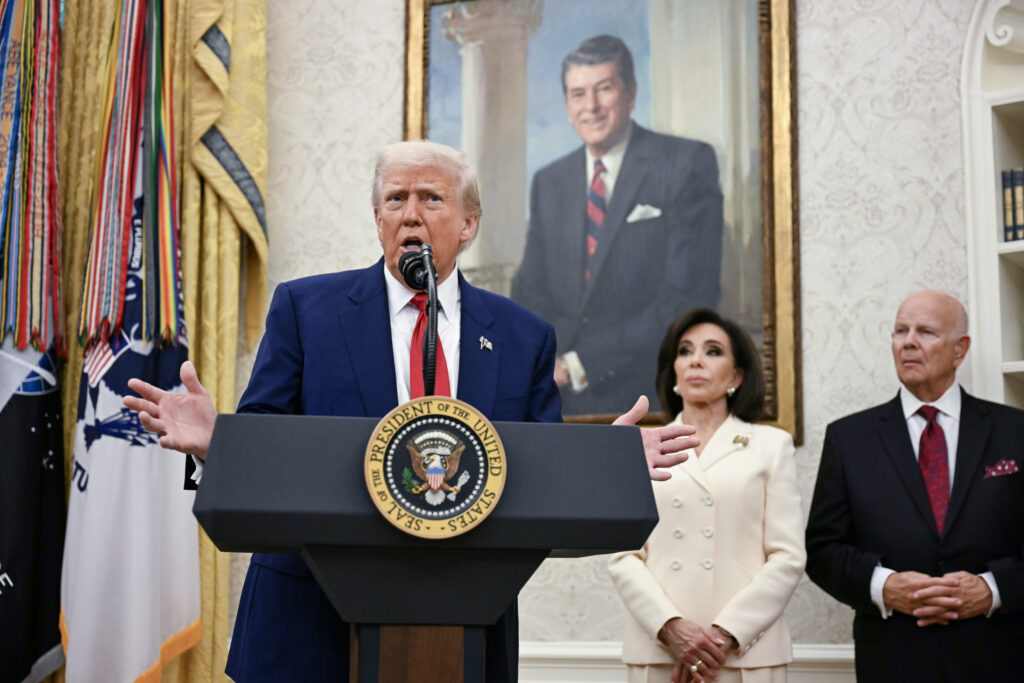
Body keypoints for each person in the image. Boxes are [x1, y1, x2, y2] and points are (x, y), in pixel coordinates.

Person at [124, 140, 699, 682]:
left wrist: (604, 463)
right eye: (396, 199)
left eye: (432, 198)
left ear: (468, 225)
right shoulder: (307, 310)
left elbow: (538, 469)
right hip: (308, 620)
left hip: (465, 619)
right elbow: (266, 441)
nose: (411, 215)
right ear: (378, 219)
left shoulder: (523, 336)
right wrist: (220, 444)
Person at [805, 290, 1024, 682]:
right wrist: (884, 586)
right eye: (900, 331)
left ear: (960, 349)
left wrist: (992, 590)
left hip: (998, 658)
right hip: (893, 659)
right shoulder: (849, 438)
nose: (908, 342)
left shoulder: (1015, 431)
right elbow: (823, 550)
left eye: (926, 332)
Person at [511, 34, 724, 416]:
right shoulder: (549, 181)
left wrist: (579, 364)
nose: (591, 106)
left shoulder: (685, 163)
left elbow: (686, 297)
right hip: (555, 401)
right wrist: (547, 364)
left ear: (631, 92)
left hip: (647, 397)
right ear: (567, 104)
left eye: (604, 88)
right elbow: (529, 290)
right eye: (578, 94)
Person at [608, 308, 805, 683]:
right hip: (659, 653)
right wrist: (671, 628)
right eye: (685, 351)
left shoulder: (771, 446)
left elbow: (787, 556)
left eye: (713, 351)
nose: (696, 360)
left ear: (736, 376)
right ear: (674, 373)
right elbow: (623, 556)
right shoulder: (641, 447)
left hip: (746, 656)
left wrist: (722, 635)